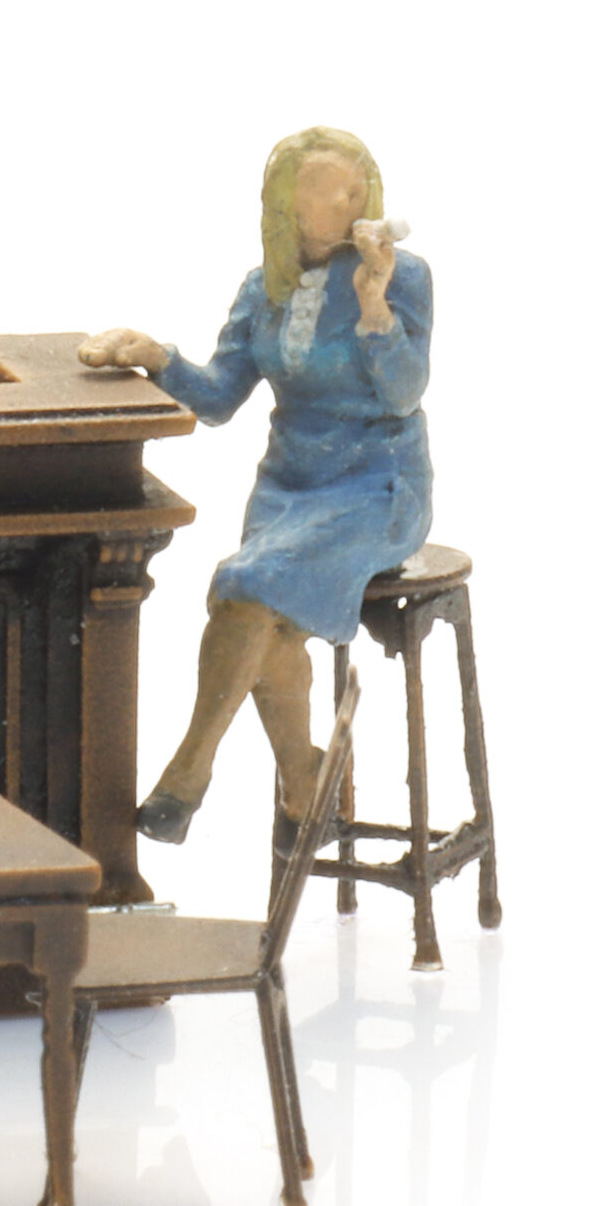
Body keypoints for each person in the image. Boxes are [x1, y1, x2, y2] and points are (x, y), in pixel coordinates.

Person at [79, 126, 431, 845]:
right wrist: (157, 357)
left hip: (378, 487)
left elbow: (403, 393)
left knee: (247, 582)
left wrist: (374, 305)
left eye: (358, 190)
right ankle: (305, 776)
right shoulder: (262, 288)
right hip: (287, 491)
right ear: (289, 208)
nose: (351, 204)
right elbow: (217, 398)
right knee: (259, 607)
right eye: (330, 193)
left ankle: (188, 772)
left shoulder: (403, 276)